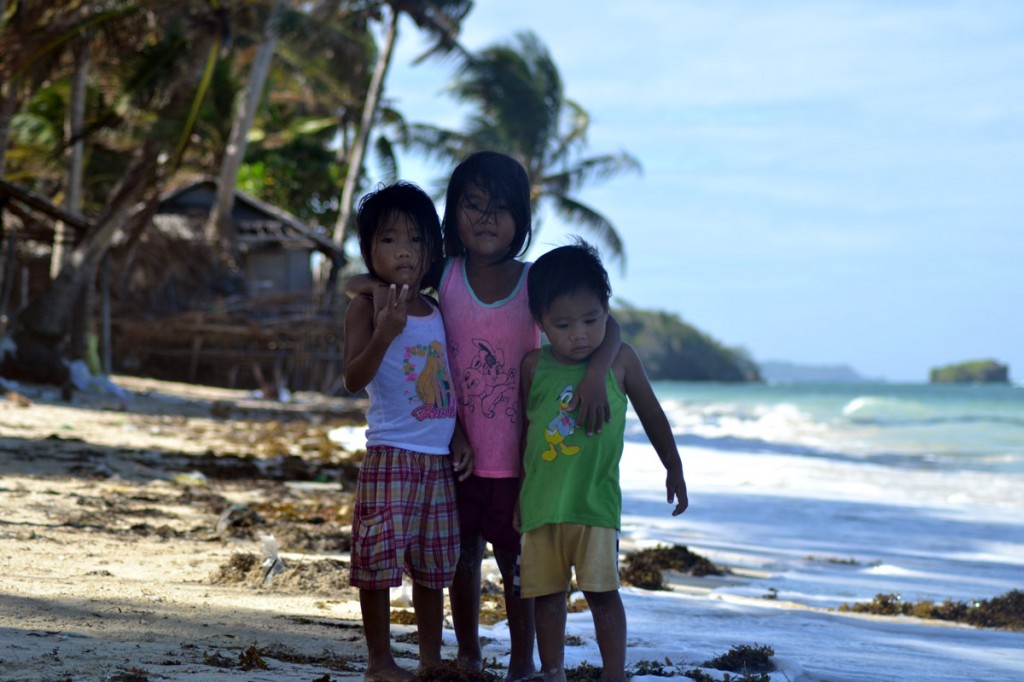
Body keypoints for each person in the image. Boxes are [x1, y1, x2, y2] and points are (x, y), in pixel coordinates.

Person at [347, 151, 620, 679]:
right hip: (457, 455)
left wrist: (595, 373)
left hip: (525, 460)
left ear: (522, 217)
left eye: (500, 208)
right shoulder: (443, 277)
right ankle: (467, 653)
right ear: (452, 216)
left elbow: (607, 325)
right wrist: (370, 291)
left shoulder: (536, 280)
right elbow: (368, 288)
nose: (486, 218)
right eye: (472, 205)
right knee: (459, 559)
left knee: (521, 567)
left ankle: (523, 661)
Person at [517, 239, 689, 682]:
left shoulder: (621, 363)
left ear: (606, 310)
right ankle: (552, 670)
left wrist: (673, 465)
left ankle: (614, 674)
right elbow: (525, 433)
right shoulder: (533, 367)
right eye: (563, 324)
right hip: (541, 507)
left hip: (594, 508)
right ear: (540, 324)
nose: (579, 334)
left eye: (591, 320)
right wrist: (519, 493)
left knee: (603, 595)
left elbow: (652, 413)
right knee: (548, 597)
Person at [343, 181, 471, 681]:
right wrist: (384, 331)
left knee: (432, 567)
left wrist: (458, 435)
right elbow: (354, 378)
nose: (405, 252)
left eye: (417, 241)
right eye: (390, 240)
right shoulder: (367, 306)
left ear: (432, 251)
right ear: (370, 247)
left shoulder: (436, 309)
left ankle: (431, 661)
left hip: (437, 459)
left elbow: (444, 382)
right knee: (377, 563)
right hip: (391, 453)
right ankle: (379, 661)